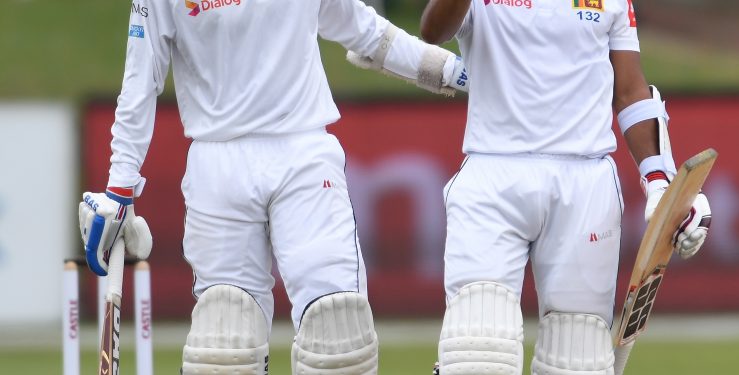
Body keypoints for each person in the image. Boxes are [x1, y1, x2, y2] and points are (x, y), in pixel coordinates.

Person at [77, 0, 467, 374]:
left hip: (304, 157)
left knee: (339, 337)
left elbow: (367, 33)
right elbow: (140, 80)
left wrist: (452, 71)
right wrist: (120, 188)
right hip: (218, 165)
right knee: (222, 349)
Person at [420, 1, 712, 374]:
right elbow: (433, 30)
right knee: (477, 357)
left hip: (585, 184)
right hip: (493, 176)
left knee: (577, 360)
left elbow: (629, 90)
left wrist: (661, 182)